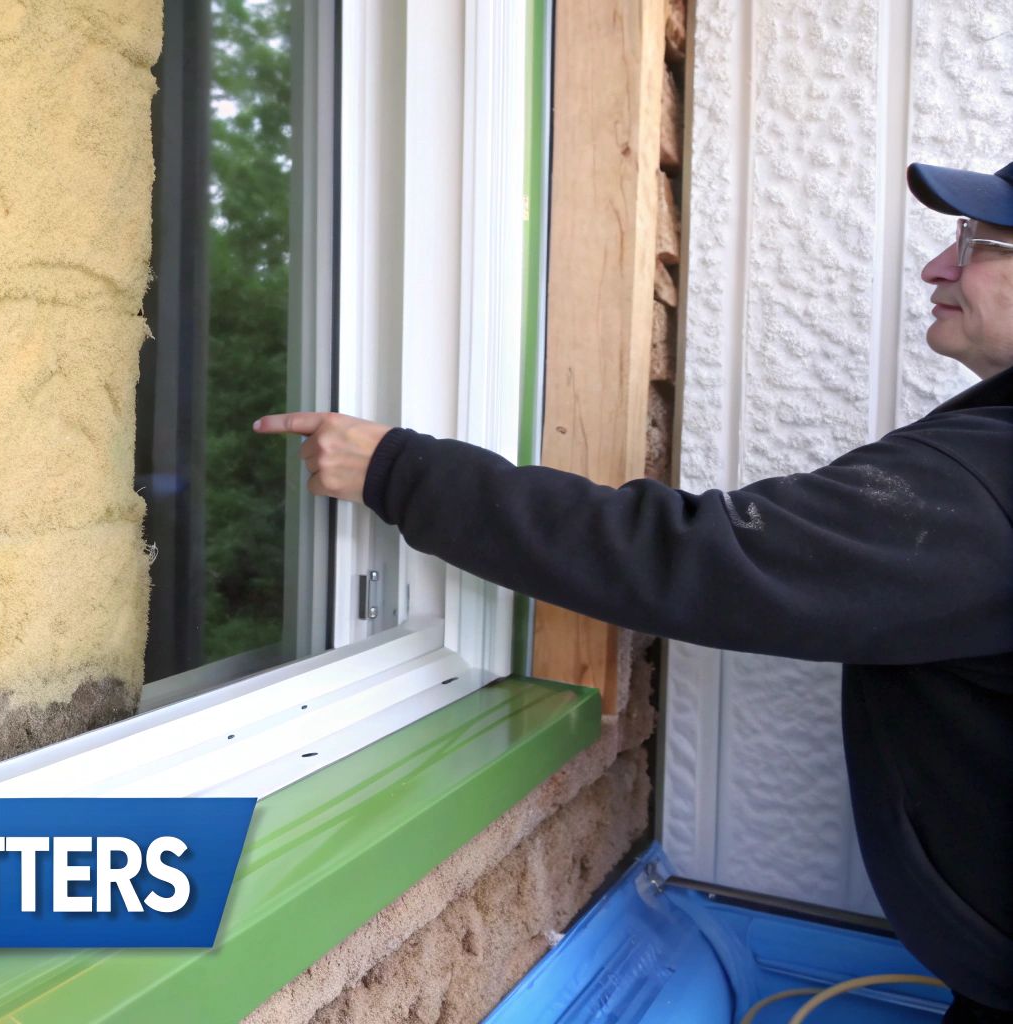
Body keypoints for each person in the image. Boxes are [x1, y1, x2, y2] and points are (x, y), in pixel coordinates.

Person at [255, 160, 1013, 1023]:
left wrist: (396, 470)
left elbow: (698, 561)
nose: (936, 269)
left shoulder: (984, 487)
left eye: (980, 244)